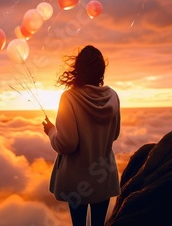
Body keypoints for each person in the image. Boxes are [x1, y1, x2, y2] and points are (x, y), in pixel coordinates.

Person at [42, 45, 121, 226]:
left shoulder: (70, 98)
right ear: (101, 70)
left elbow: (68, 144)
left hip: (77, 181)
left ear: (78, 69)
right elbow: (115, 134)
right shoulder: (113, 96)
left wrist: (51, 131)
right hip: (104, 175)